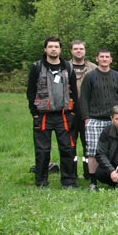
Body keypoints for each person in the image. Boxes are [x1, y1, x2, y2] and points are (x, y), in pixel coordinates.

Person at [27, 36, 78, 188]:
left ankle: (68, 181)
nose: (53, 49)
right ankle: (41, 181)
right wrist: (34, 113)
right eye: (50, 47)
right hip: (43, 115)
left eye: (56, 47)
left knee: (67, 148)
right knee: (42, 150)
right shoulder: (37, 67)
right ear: (45, 49)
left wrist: (73, 112)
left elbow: (74, 91)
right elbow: (30, 92)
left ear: (60, 49)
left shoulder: (68, 67)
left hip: (64, 115)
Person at [80, 48, 118, 191]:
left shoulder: (117, 77)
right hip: (94, 119)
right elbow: (84, 98)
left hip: (114, 120)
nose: (104, 59)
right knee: (93, 152)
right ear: (97, 59)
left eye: (107, 57)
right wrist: (86, 117)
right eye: (102, 57)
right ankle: (93, 182)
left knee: (117, 150)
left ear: (111, 59)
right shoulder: (90, 76)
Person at [69, 40, 96, 178]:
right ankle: (71, 173)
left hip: (88, 113)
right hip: (69, 112)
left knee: (89, 144)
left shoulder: (93, 68)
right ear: (71, 51)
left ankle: (89, 173)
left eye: (81, 48)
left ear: (85, 51)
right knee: (69, 144)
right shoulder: (64, 67)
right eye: (76, 49)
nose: (78, 51)